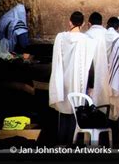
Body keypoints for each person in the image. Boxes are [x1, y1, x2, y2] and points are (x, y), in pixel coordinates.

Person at [48, 11, 97, 145]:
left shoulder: (60, 38)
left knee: (63, 113)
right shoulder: (87, 41)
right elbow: (90, 66)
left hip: (62, 81)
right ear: (82, 24)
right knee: (76, 112)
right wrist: (91, 86)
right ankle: (72, 144)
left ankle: (61, 144)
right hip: (78, 83)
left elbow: (56, 61)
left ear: (70, 22)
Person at [86, 12, 119, 141]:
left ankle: (94, 138)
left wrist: (89, 85)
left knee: (95, 105)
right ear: (102, 23)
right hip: (111, 77)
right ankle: (112, 138)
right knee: (110, 106)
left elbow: (89, 64)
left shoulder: (86, 36)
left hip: (93, 78)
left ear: (89, 23)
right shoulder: (108, 34)